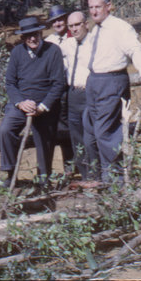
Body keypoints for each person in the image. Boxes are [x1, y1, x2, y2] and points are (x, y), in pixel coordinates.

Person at [79, 0, 141, 187]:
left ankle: (116, 182)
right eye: (91, 7)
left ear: (109, 6)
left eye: (98, 7)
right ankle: (104, 179)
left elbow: (135, 49)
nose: (94, 11)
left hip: (112, 82)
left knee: (106, 133)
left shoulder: (120, 27)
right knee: (92, 131)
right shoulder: (95, 30)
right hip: (95, 82)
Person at [0, 16, 66, 187]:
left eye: (35, 34)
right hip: (22, 105)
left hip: (44, 106)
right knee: (5, 130)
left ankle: (44, 178)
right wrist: (20, 102)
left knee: (44, 138)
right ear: (22, 37)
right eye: (28, 36)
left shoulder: (53, 51)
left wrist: (43, 107)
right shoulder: (17, 53)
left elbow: (59, 83)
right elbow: (10, 83)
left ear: (41, 32)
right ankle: (11, 174)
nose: (33, 38)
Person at [60, 10, 95, 182]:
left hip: (90, 93)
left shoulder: (96, 42)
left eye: (77, 25)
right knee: (77, 138)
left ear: (86, 24)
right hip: (72, 94)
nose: (74, 29)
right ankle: (85, 176)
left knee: (92, 136)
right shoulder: (67, 44)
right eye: (71, 26)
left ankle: (98, 175)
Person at [43, 5, 74, 173]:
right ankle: (64, 170)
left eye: (60, 19)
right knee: (58, 129)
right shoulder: (49, 42)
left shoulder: (75, 36)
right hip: (56, 90)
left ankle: (78, 168)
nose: (58, 24)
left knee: (74, 128)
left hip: (74, 88)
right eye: (54, 21)